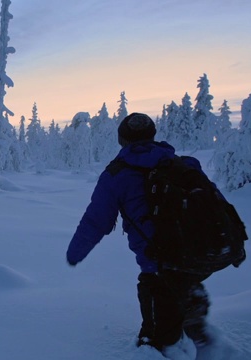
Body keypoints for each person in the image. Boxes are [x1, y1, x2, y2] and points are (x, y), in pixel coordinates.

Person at [66, 112, 216, 356]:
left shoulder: (116, 175)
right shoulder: (182, 164)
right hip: (196, 259)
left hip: (159, 268)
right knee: (190, 324)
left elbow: (96, 221)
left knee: (156, 343)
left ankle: (166, 347)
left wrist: (74, 253)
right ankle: (203, 342)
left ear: (121, 140)